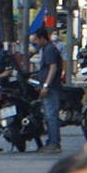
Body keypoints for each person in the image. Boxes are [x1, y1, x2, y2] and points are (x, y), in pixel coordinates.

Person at [30, 22, 69, 150]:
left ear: (42, 38)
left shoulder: (50, 49)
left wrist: (46, 85)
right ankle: (51, 141)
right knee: (48, 115)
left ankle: (54, 143)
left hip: (51, 88)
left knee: (51, 115)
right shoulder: (46, 49)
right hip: (48, 87)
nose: (35, 43)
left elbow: (53, 68)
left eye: (36, 40)